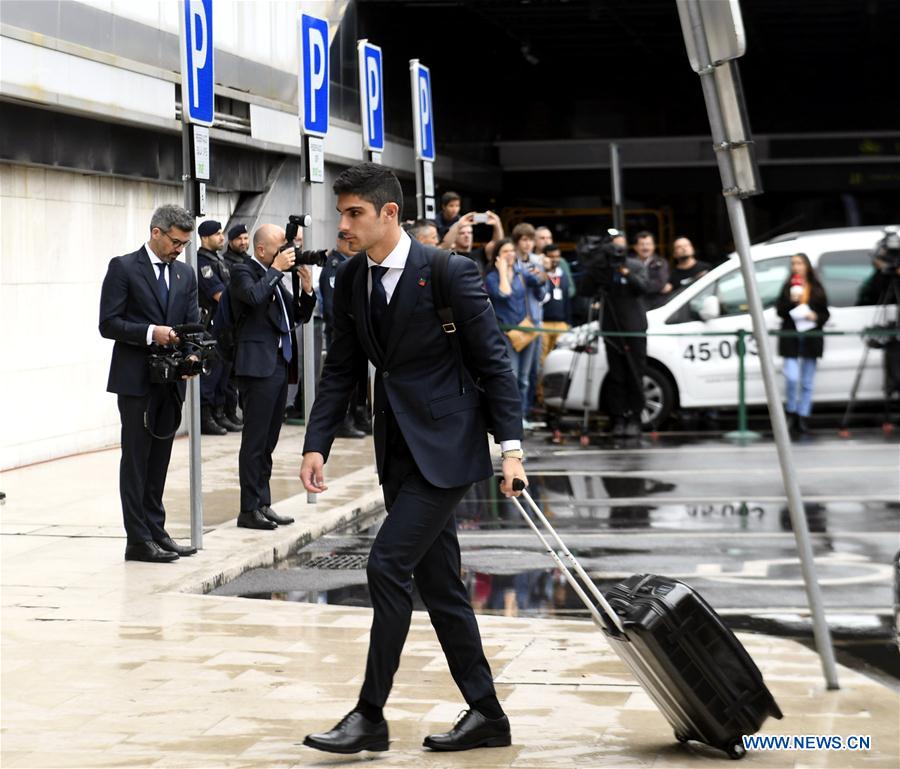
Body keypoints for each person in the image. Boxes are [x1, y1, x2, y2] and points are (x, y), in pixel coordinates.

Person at [299, 162, 526, 754]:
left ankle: (369, 714)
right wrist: (315, 441)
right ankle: (487, 714)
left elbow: (495, 362)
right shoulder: (350, 279)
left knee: (385, 566)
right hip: (395, 451)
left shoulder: (448, 272)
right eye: (340, 213)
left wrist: (511, 450)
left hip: (447, 450)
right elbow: (342, 367)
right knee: (443, 588)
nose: (342, 225)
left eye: (354, 214)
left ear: (389, 214)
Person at [98, 204, 201, 563]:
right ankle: (138, 540)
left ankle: (157, 531)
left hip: (171, 382)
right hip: (135, 381)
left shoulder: (185, 274)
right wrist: (149, 334)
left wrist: (191, 356)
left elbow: (191, 324)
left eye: (184, 243)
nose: (179, 249)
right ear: (156, 232)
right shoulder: (124, 267)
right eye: (175, 241)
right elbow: (108, 324)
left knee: (160, 460)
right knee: (137, 460)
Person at [230, 224, 316, 530]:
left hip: (279, 365)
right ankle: (248, 509)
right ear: (263, 249)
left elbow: (297, 315)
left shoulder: (275, 278)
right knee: (254, 441)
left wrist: (307, 290)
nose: (286, 253)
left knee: (269, 440)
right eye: (280, 247)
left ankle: (263, 503)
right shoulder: (244, 272)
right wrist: (276, 271)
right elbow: (252, 298)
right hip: (256, 367)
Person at [579, 235, 649, 437]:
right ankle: (618, 418)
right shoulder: (602, 270)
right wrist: (595, 269)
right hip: (611, 328)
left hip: (634, 329)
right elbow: (585, 290)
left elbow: (643, 288)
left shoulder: (634, 266)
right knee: (616, 376)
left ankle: (635, 417)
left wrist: (626, 273)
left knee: (635, 374)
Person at [485, 237, 545, 426]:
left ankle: (523, 414)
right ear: (497, 257)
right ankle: (512, 417)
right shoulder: (492, 277)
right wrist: (503, 271)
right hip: (506, 331)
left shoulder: (521, 273)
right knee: (511, 375)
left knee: (525, 378)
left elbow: (540, 286)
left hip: (525, 329)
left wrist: (541, 273)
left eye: (512, 251)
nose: (510, 255)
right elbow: (504, 294)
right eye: (505, 252)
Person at [319, 233, 369, 438]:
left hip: (356, 334)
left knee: (359, 380)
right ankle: (342, 421)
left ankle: (358, 416)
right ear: (338, 242)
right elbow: (332, 306)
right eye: (347, 241)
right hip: (341, 334)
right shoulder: (335, 266)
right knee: (344, 378)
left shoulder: (351, 263)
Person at [775, 253, 830, 435]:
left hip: (810, 337)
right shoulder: (788, 286)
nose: (795, 267)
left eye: (799, 263)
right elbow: (780, 311)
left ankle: (803, 416)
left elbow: (825, 313)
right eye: (793, 264)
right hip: (791, 337)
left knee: (807, 381)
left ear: (807, 266)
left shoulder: (815, 287)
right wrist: (791, 302)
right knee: (792, 378)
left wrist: (815, 316)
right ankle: (791, 411)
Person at [196, 220, 241, 435]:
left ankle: (220, 414)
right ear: (205, 238)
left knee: (224, 374)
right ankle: (206, 418)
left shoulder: (218, 259)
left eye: (222, 233)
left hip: (224, 325)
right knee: (211, 373)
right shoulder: (202, 263)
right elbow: (219, 295)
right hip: (211, 324)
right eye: (217, 234)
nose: (222, 238)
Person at [439, 210, 505, 277]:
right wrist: (459, 225)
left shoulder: (480, 254)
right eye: (462, 233)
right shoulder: (451, 256)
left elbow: (497, 245)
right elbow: (443, 247)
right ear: (455, 237)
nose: (467, 236)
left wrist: (497, 224)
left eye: (469, 233)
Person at [633, 231, 669, 311]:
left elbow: (659, 284)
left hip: (656, 307)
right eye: (642, 244)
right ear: (635, 247)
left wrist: (636, 285)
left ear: (653, 246)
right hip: (636, 307)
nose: (645, 248)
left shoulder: (661, 262)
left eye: (648, 244)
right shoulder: (630, 264)